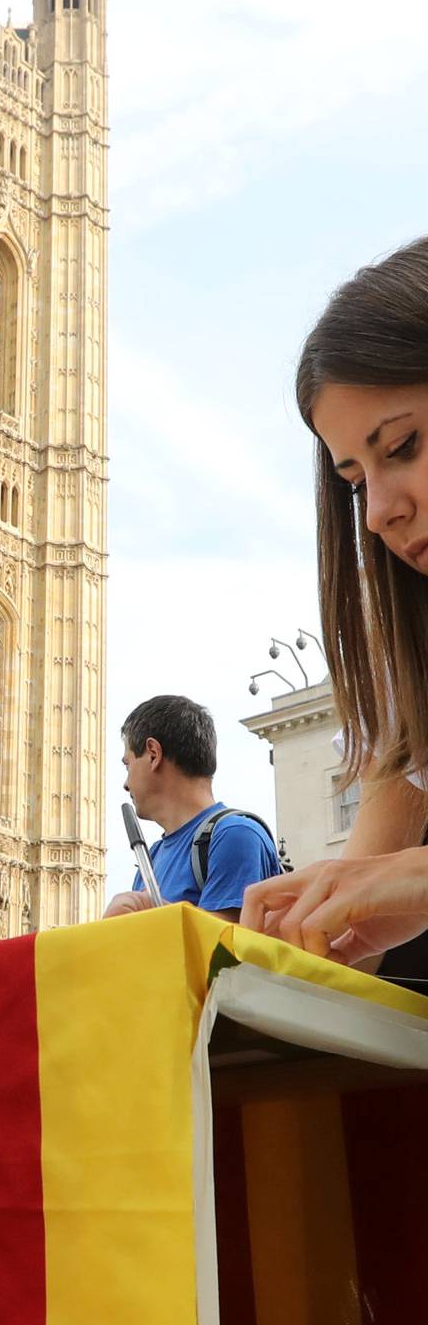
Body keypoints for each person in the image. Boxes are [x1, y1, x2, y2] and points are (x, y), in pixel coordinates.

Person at [245, 238, 428, 959]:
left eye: (406, 445)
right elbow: (353, 916)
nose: (378, 511)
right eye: (355, 481)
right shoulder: (413, 667)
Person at [104, 697, 281, 924]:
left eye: (127, 765)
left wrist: (151, 910)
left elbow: (232, 949)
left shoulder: (235, 835)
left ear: (153, 754)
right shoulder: (153, 857)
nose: (126, 784)